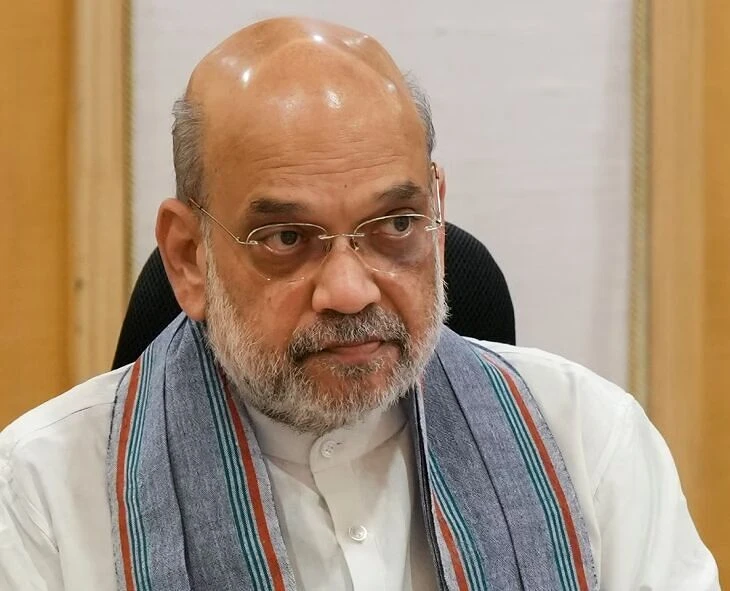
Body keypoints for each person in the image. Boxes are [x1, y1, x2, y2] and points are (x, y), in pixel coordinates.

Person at [0, 16, 719, 591]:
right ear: (189, 256)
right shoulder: (40, 494)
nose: (349, 290)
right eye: (286, 238)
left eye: (396, 225)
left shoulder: (591, 442)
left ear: (437, 210)